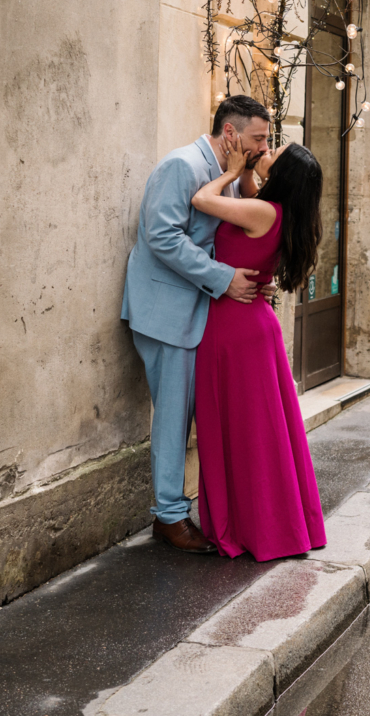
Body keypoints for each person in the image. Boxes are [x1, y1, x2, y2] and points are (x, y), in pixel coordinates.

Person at [121, 95, 274, 553]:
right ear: (230, 133)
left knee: (187, 414)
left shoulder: (227, 173)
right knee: (173, 417)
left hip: (195, 310)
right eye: (258, 139)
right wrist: (225, 279)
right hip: (166, 313)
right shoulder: (182, 166)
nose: (265, 148)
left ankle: (178, 510)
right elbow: (162, 237)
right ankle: (169, 517)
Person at [190, 141, 327, 560]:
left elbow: (201, 199)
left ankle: (260, 526)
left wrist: (230, 171)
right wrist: (249, 170)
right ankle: (275, 523)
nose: (267, 149)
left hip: (233, 325)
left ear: (281, 172)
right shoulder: (275, 210)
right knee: (262, 430)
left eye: (274, 151)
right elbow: (252, 195)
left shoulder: (262, 212)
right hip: (252, 325)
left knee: (244, 430)